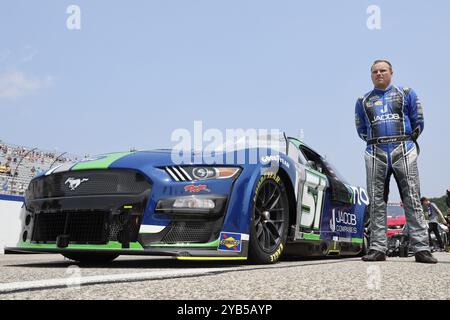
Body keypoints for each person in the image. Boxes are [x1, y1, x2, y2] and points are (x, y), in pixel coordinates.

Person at [355, 59, 437, 263]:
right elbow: (361, 129)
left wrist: (406, 141)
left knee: (412, 198)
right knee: (375, 201)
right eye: (374, 71)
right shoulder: (363, 100)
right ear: (371, 75)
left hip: (404, 148)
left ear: (391, 72)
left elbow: (418, 121)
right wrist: (377, 143)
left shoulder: (406, 93)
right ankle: (377, 248)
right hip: (375, 150)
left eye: (383, 70)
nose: (379, 74)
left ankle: (421, 248)